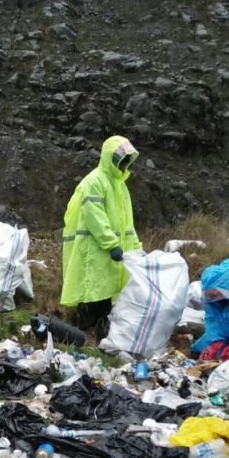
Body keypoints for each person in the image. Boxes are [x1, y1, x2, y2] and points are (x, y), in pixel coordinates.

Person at [61, 135, 143, 340]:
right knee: (92, 291)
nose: (124, 164)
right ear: (109, 157)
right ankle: (84, 336)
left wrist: (136, 249)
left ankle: (101, 335)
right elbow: (94, 216)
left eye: (127, 160)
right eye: (121, 159)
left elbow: (127, 224)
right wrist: (111, 244)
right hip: (95, 250)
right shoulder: (95, 181)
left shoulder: (120, 185)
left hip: (111, 253)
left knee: (106, 293)